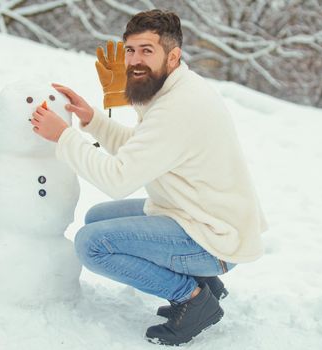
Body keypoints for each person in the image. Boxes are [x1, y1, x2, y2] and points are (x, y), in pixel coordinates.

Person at [30, 9, 268, 346]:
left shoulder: (178, 107)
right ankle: (206, 284)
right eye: (131, 50)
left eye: (147, 51)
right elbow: (143, 150)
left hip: (214, 237)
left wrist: (64, 138)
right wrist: (93, 120)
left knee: (92, 245)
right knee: (96, 218)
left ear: (173, 56)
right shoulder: (174, 89)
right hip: (199, 214)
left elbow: (118, 179)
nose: (135, 61)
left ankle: (193, 298)